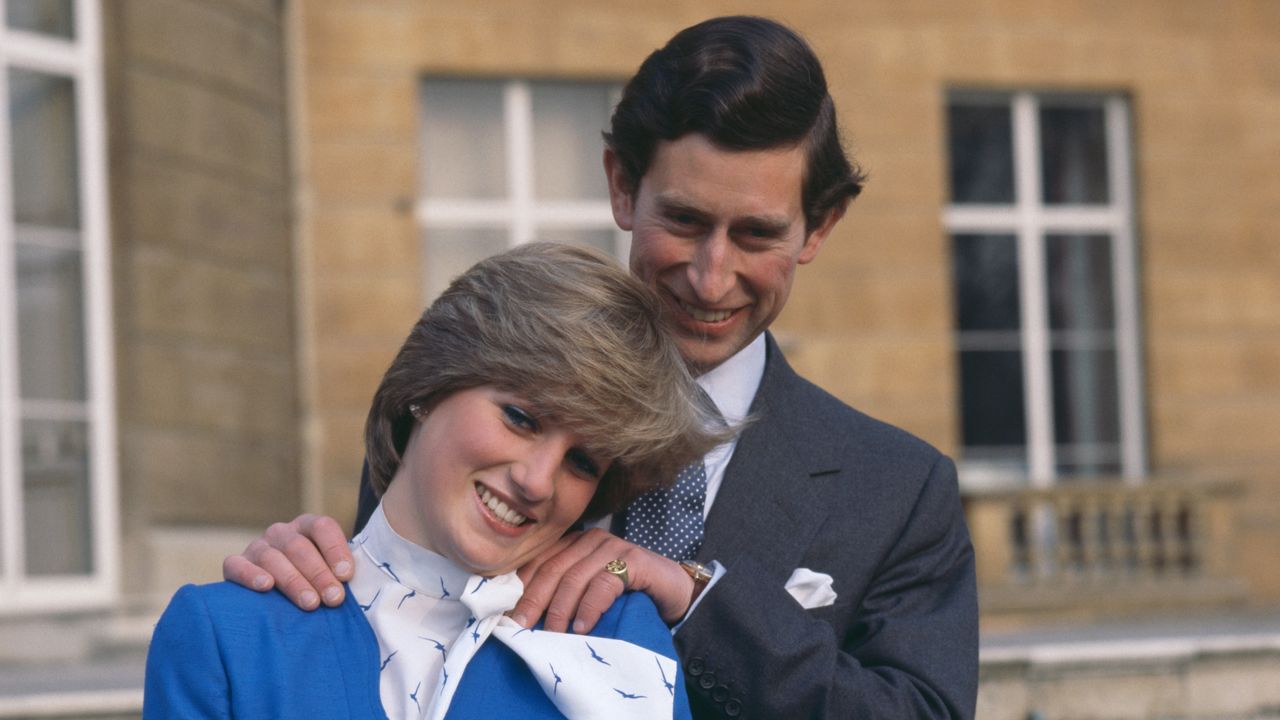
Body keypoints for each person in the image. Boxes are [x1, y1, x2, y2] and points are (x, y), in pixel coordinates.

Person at [223, 15, 979, 719]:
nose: (712, 277)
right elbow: (388, 646)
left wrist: (697, 599)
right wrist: (305, 580)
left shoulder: (900, 490)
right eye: (684, 221)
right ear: (621, 184)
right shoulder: (464, 417)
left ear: (820, 225)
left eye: (755, 235)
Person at [146, 243, 730, 719]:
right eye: (521, 418)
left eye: (583, 462)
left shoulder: (618, 639)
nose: (537, 481)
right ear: (428, 386)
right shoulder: (228, 636)